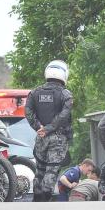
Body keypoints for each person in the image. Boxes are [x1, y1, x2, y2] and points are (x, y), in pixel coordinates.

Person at [25, 60, 73, 202]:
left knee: (39, 169)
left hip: (40, 137)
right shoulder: (66, 94)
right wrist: (48, 128)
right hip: (58, 138)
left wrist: (39, 128)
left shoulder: (34, 93)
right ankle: (45, 200)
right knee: (51, 170)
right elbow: (64, 116)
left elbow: (28, 112)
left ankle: (37, 198)